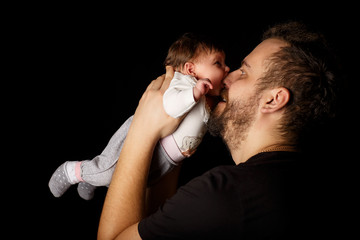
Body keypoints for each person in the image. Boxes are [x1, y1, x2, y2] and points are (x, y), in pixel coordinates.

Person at [97, 21, 339, 239]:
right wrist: (177, 140)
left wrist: (142, 128)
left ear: (273, 100)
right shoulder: (292, 182)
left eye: (243, 72)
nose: (225, 78)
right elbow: (155, 227)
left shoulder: (225, 195)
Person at [48, 33, 230, 200]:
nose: (227, 68)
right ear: (190, 69)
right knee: (112, 171)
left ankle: (90, 179)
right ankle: (73, 171)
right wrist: (194, 93)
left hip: (167, 158)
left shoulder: (205, 96)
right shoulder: (184, 83)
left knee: (133, 182)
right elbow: (170, 105)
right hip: (143, 135)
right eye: (218, 63)